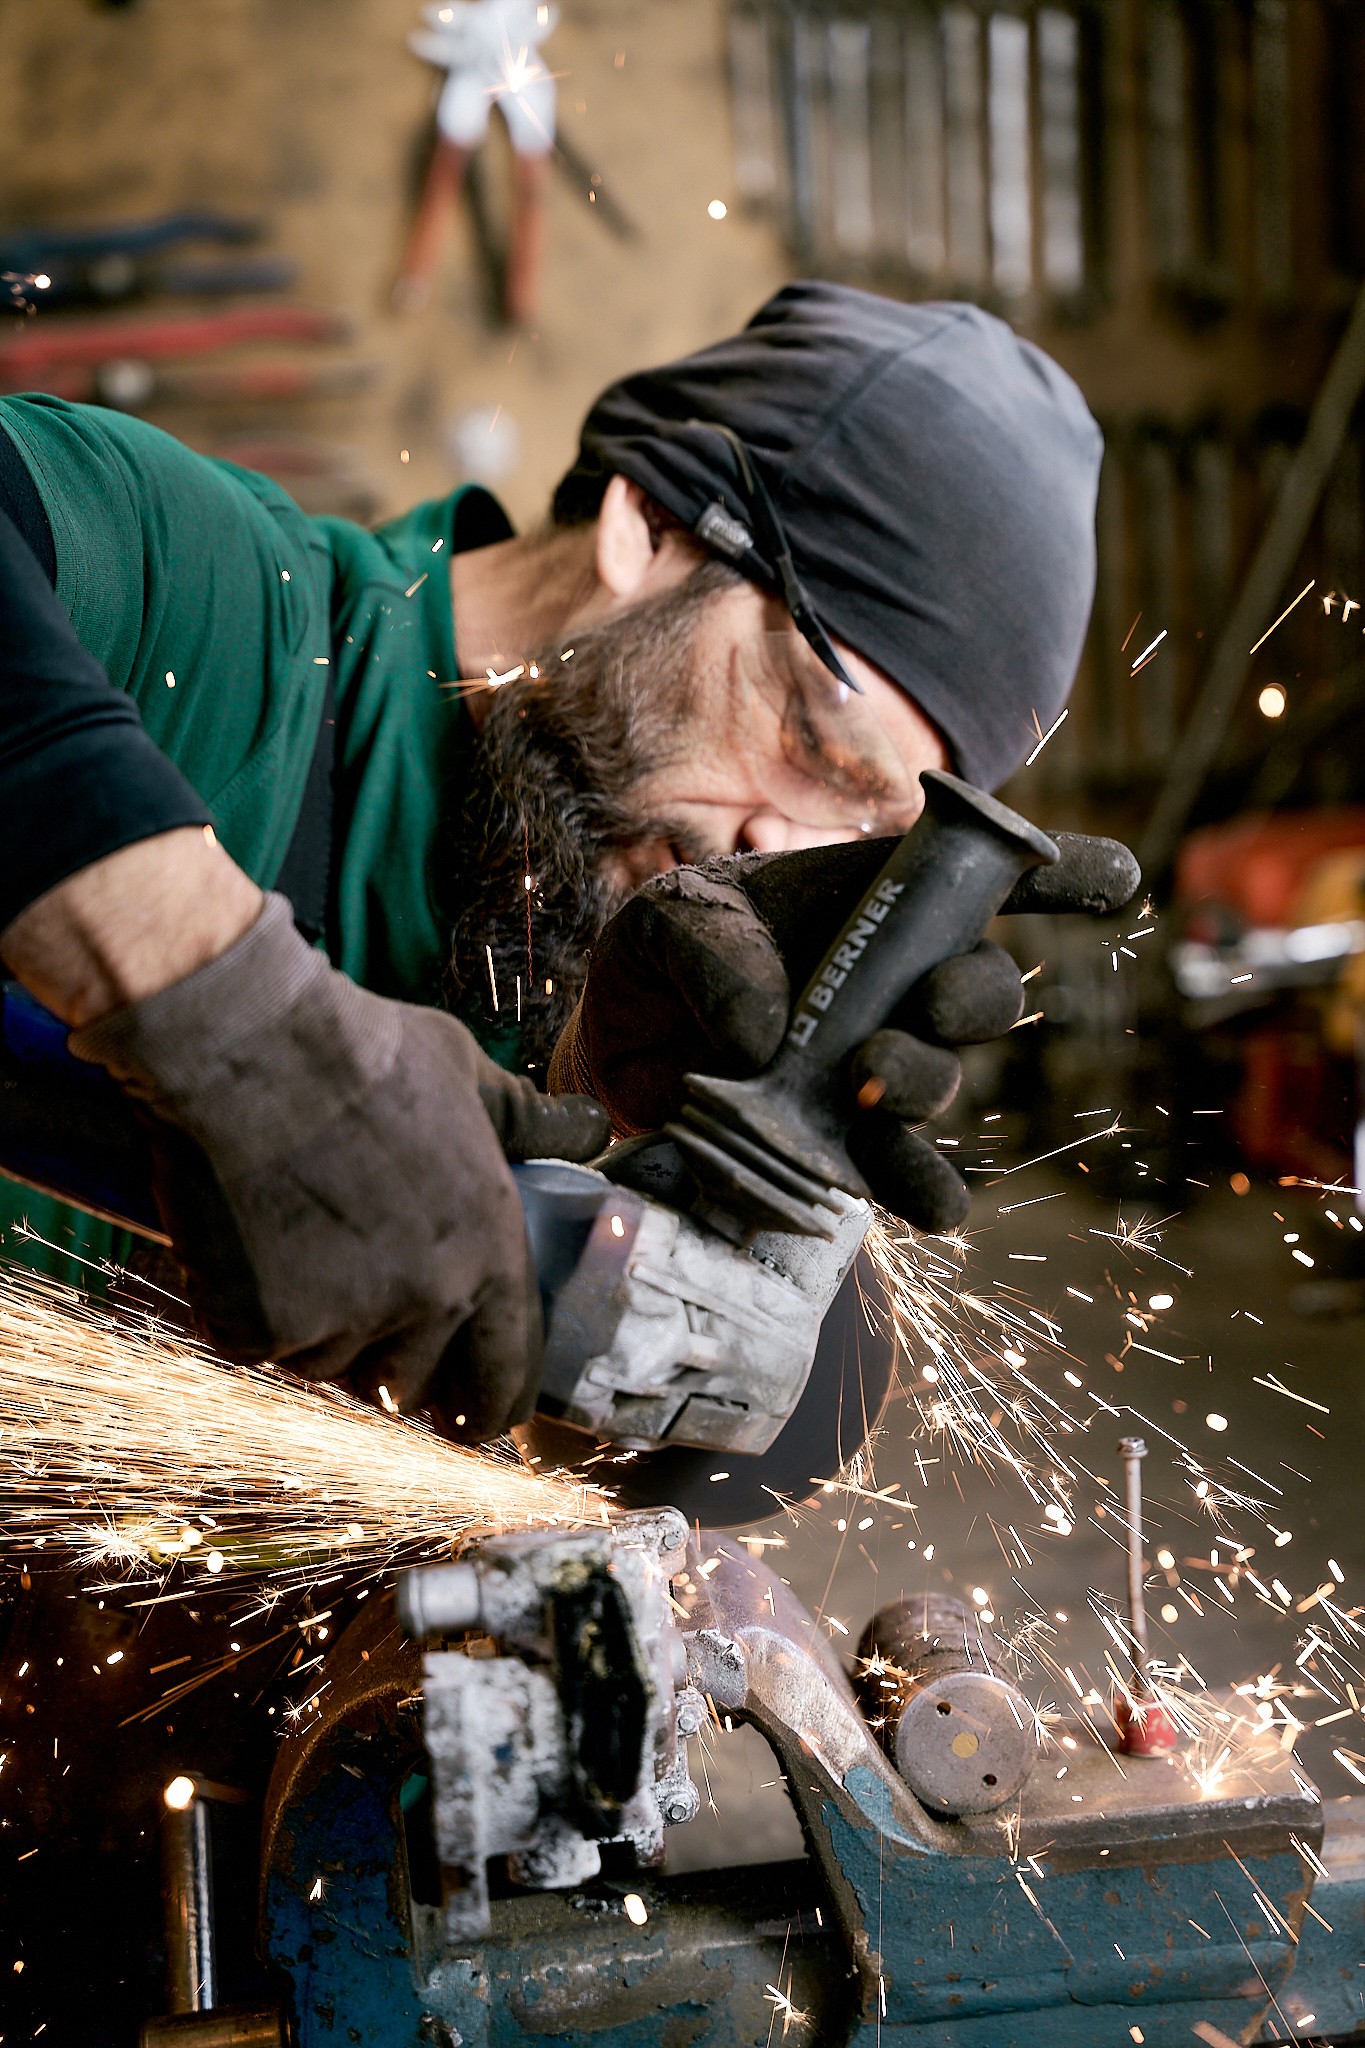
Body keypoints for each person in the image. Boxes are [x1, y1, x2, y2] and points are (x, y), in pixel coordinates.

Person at [0, 282, 1131, 1445]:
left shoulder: (597, 1008)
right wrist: (235, 1023)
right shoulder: (199, 600)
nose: (778, 849)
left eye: (865, 840)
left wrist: (684, 1204)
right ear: (646, 523)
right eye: (810, 739)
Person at [394, 0, 559, 321]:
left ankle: (521, 301)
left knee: (529, 174)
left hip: (510, 70)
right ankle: (415, 279)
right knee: (449, 161)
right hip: (475, 66)